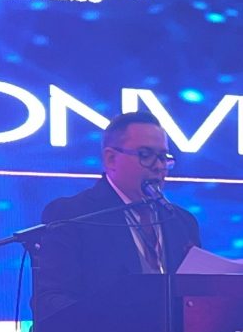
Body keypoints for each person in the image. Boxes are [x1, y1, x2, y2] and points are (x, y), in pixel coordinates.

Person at [33, 111, 201, 320]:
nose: (158, 166)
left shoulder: (182, 221)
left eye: (163, 157)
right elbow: (50, 301)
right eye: (145, 155)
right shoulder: (72, 215)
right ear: (111, 159)